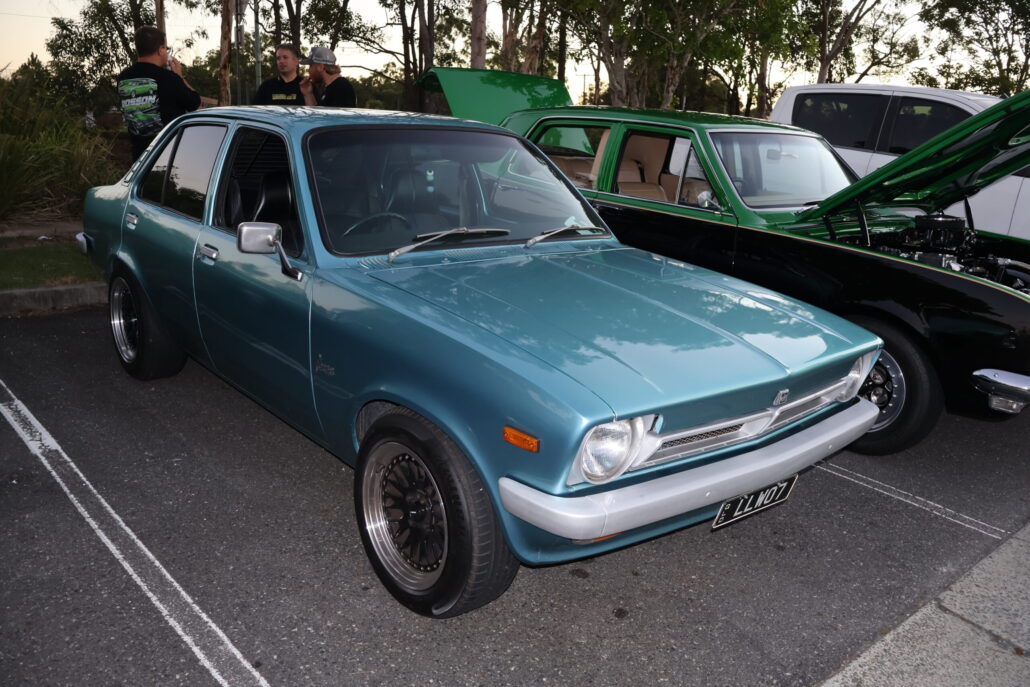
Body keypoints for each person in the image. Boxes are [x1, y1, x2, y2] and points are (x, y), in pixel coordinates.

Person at [117, 25, 200, 161]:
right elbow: (194, 102)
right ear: (160, 50)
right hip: (168, 157)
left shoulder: (123, 77)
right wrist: (179, 76)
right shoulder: (168, 78)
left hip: (140, 160)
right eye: (166, 48)